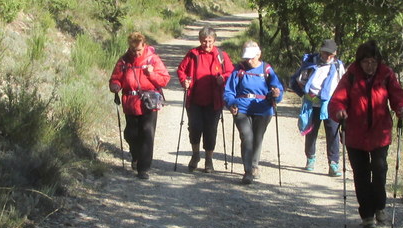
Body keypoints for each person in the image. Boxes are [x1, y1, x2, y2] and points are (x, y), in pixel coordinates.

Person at [328, 40, 403, 228]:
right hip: (355, 134)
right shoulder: (351, 75)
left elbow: (399, 97)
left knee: (380, 170)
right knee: (361, 175)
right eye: (366, 61)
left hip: (379, 134)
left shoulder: (386, 75)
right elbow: (337, 100)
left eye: (374, 61)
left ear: (378, 61)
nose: (370, 66)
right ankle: (367, 215)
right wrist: (340, 111)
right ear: (360, 61)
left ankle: (380, 208)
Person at [109, 31, 170, 180]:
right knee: (131, 134)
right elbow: (115, 78)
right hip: (130, 102)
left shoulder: (153, 59)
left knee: (147, 133)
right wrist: (115, 86)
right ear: (129, 47)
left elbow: (164, 79)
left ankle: (143, 168)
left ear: (144, 46)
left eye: (139, 50)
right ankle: (135, 156)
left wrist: (151, 74)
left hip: (149, 102)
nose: (136, 54)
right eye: (133, 50)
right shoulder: (124, 61)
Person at [223, 41, 285, 185]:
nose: (249, 60)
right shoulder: (238, 70)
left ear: (259, 54)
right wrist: (230, 103)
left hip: (263, 109)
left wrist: (277, 95)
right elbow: (228, 91)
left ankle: (255, 165)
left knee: (257, 137)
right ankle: (248, 171)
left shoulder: (267, 70)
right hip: (242, 108)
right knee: (247, 137)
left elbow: (278, 91)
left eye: (251, 57)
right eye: (246, 57)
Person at [176, 26, 234, 172]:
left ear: (214, 40)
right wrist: (185, 82)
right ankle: (195, 155)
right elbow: (181, 70)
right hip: (194, 99)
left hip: (213, 101)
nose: (207, 45)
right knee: (194, 128)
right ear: (200, 40)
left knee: (210, 130)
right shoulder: (193, 54)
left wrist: (223, 78)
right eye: (204, 41)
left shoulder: (221, 55)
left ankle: (209, 160)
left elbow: (230, 72)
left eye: (209, 41)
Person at [290, 39, 345, 176]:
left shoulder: (338, 66)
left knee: (333, 133)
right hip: (312, 102)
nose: (327, 56)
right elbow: (300, 80)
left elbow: (343, 84)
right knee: (311, 132)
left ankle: (333, 163)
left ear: (335, 53)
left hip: (331, 104)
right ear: (321, 51)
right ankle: (310, 158)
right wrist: (307, 91)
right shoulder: (311, 63)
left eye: (330, 54)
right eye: (325, 53)